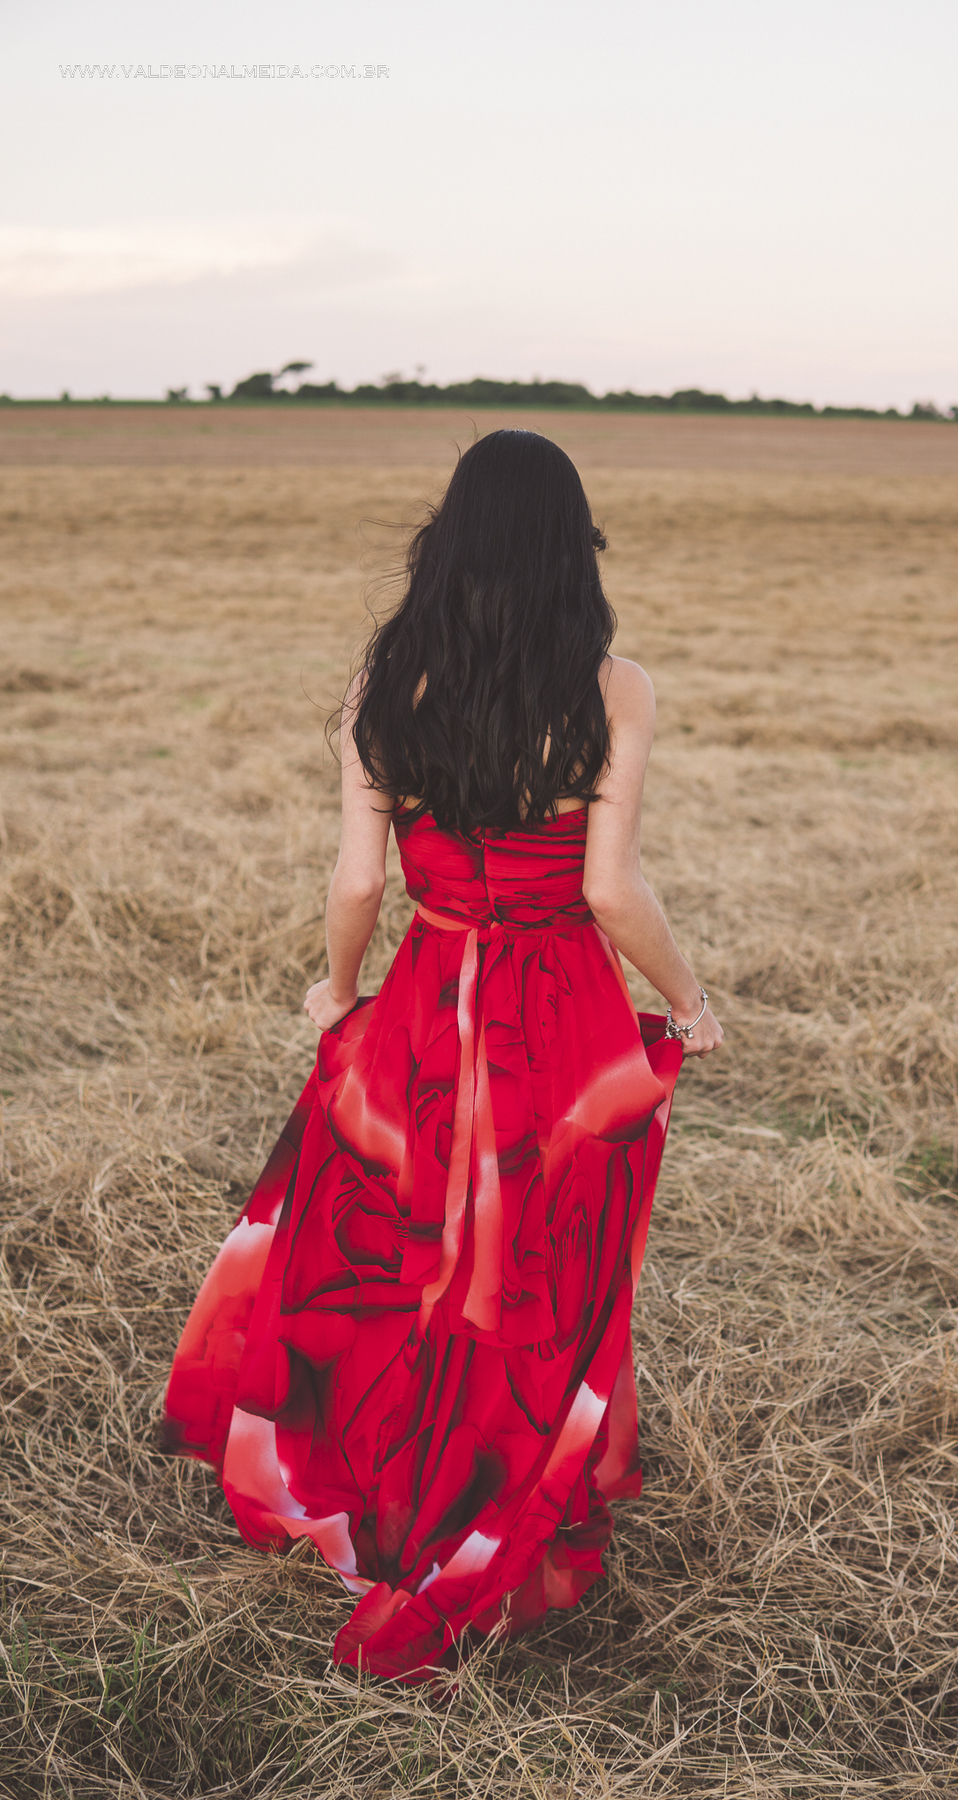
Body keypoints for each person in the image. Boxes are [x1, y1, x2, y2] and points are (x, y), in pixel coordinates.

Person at [162, 429, 723, 1681]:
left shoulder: (389, 679)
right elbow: (613, 890)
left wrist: (340, 995)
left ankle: (384, 1505)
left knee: (400, 1256)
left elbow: (360, 879)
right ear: (570, 543)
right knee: (532, 1270)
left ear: (452, 534)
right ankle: (500, 1494)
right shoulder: (613, 686)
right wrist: (687, 999)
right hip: (560, 1010)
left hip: (427, 997)